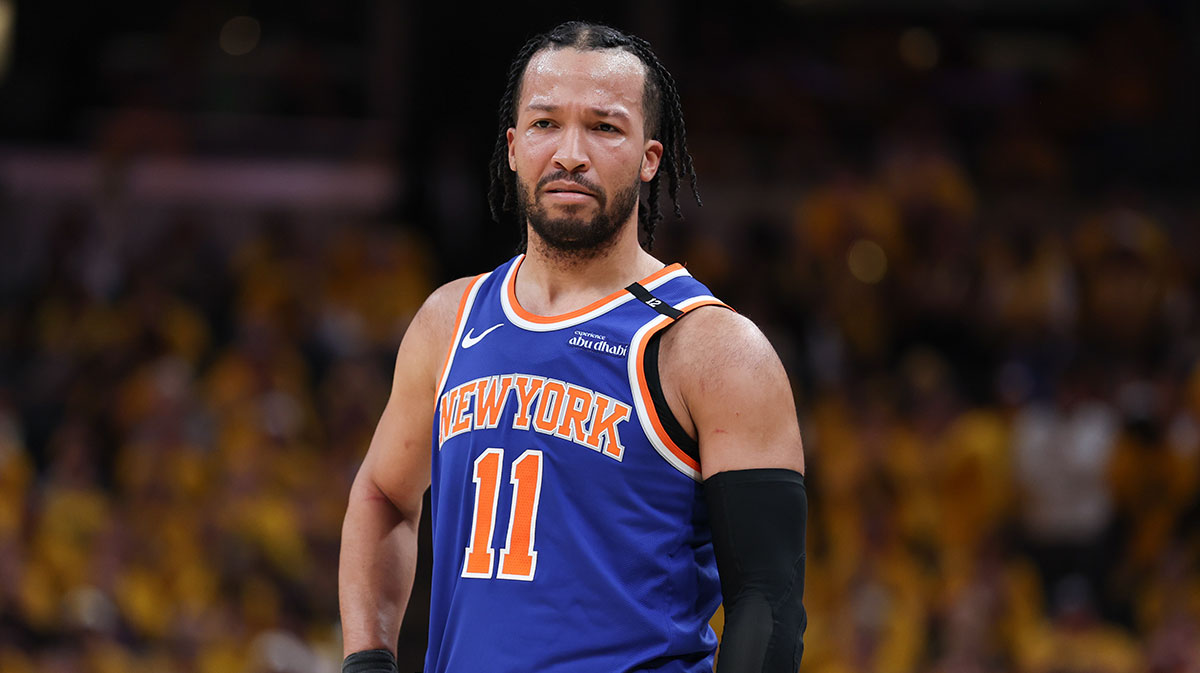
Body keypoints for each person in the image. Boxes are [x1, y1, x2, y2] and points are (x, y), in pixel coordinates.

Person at [339, 21, 807, 673]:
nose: (569, 153)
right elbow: (383, 495)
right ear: (512, 146)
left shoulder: (710, 346)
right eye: (545, 124)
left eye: (604, 127)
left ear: (650, 156)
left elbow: (767, 602)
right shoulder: (449, 319)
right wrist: (367, 658)